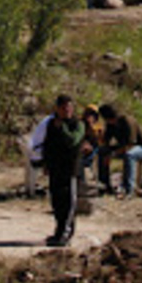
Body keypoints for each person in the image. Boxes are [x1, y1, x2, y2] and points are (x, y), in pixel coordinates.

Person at [41, 94, 84, 247]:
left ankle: (65, 234)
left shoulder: (77, 124)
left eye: (69, 107)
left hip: (70, 169)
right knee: (57, 202)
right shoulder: (51, 124)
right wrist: (46, 163)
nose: (67, 110)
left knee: (68, 203)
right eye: (63, 107)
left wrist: (63, 128)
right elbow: (47, 144)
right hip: (55, 168)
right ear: (57, 108)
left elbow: (73, 140)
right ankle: (58, 233)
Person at [97, 104, 142, 197]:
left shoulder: (127, 121)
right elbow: (106, 142)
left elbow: (130, 145)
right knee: (102, 151)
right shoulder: (110, 124)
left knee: (129, 155)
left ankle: (128, 189)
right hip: (123, 147)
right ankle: (104, 184)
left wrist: (113, 154)